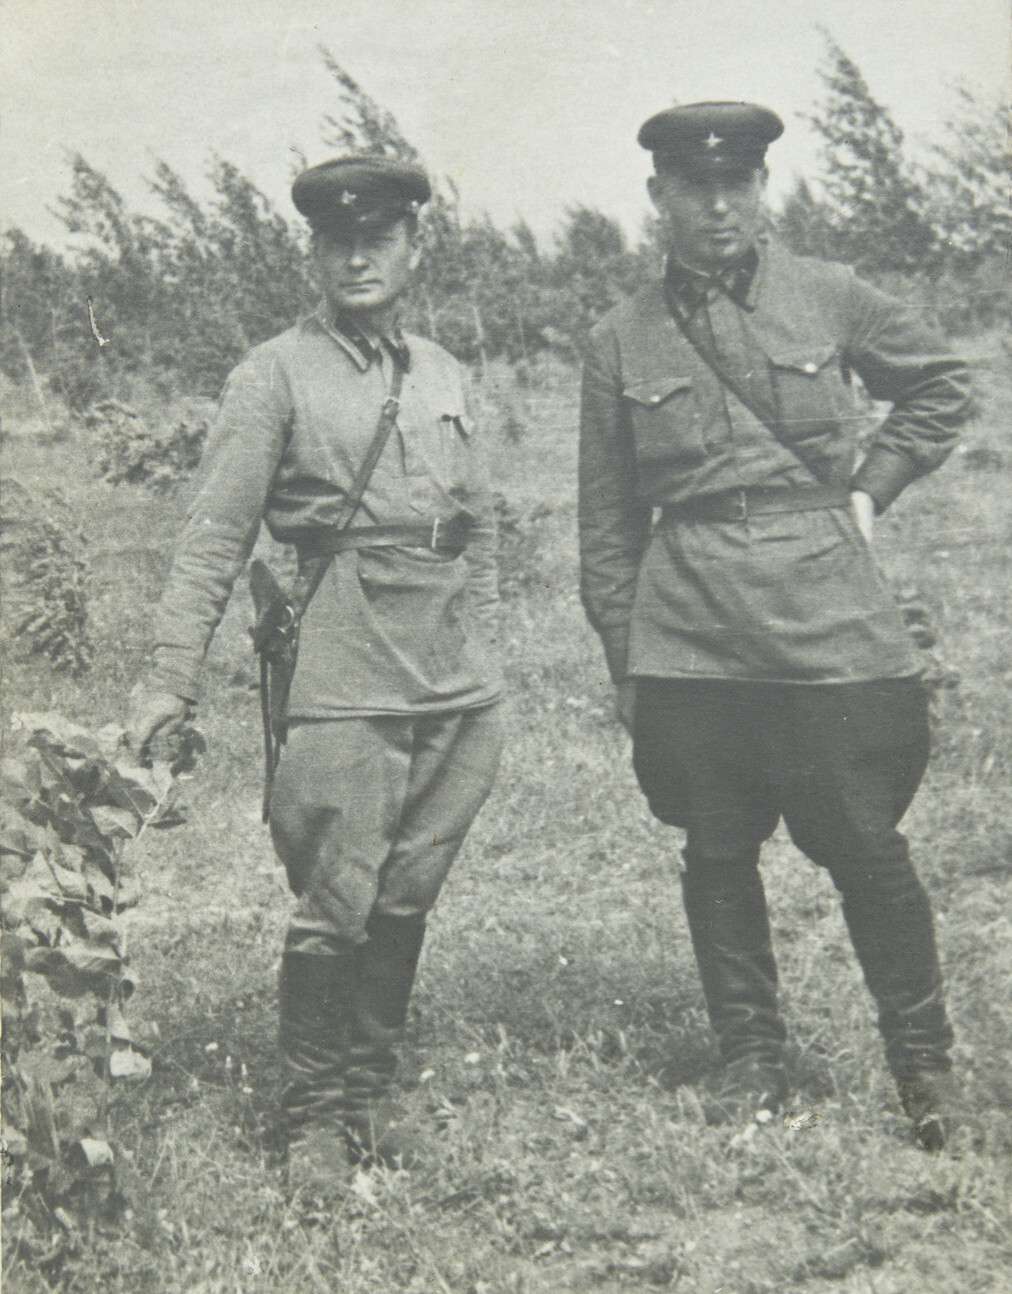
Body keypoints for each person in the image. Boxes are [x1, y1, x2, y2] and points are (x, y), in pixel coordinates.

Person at [578, 102, 972, 1148]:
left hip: (825, 610)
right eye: (694, 188)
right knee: (716, 847)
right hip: (692, 627)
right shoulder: (619, 338)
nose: (718, 207)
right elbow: (607, 525)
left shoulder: (827, 293)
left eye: (736, 185)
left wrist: (871, 488)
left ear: (760, 189)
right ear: (658, 197)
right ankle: (750, 1056)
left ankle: (922, 1064)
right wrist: (627, 660)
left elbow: (940, 384)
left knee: (867, 842)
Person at [128, 156, 504, 1191]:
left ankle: (370, 1093)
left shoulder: (443, 370)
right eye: (339, 242)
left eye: (378, 238)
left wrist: (485, 643)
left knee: (409, 892)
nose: (358, 258)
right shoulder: (274, 374)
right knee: (338, 897)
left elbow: (480, 522)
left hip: (452, 674)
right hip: (343, 659)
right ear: (314, 254)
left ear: (414, 248)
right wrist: (170, 679)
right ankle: (312, 1123)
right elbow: (214, 537)